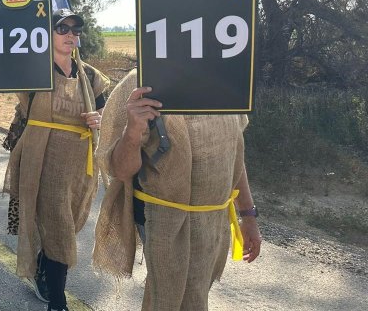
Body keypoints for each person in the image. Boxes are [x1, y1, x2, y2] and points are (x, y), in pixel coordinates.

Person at [92, 70, 262, 310]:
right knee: (168, 296)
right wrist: (132, 130)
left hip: (213, 219)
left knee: (195, 292)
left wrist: (248, 215)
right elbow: (120, 171)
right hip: (161, 221)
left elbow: (234, 153)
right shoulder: (139, 82)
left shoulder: (224, 75)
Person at [3, 9, 108, 311]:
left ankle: (42, 266)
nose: (70, 36)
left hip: (78, 168)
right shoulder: (33, 71)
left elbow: (107, 113)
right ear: (46, 34)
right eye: (62, 28)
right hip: (42, 163)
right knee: (59, 228)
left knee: (64, 226)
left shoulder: (90, 76)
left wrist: (98, 118)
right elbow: (21, 110)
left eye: (75, 31)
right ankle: (58, 302)